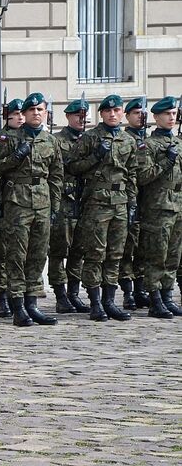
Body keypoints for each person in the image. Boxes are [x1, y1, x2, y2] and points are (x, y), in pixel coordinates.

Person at [0, 93, 63, 327]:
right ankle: (18, 306)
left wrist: (55, 205)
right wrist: (15, 157)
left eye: (40, 110)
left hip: (42, 202)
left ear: (45, 112)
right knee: (16, 255)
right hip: (17, 202)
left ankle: (33, 304)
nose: (36, 113)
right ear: (24, 114)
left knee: (38, 254)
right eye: (31, 110)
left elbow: (57, 176)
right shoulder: (9, 139)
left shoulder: (50, 141)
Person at [67, 94, 139, 321]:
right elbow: (73, 166)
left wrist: (132, 202)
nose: (113, 114)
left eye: (117, 110)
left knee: (115, 254)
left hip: (120, 201)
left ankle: (110, 301)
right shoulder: (90, 138)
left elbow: (132, 173)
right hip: (96, 201)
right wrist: (95, 157)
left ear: (121, 112)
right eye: (108, 111)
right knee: (95, 253)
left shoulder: (128, 140)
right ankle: (95, 301)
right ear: (101, 113)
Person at [134, 96, 182, 318]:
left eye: (174, 114)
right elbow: (142, 177)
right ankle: (154, 300)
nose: (171, 118)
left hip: (178, 206)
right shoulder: (148, 145)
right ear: (156, 117)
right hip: (158, 207)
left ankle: (167, 296)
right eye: (167, 114)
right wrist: (166, 161)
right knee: (157, 256)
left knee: (173, 255)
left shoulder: (179, 143)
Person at [47, 98, 90, 314]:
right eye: (77, 116)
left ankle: (74, 292)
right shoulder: (57, 140)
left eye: (84, 116)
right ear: (68, 117)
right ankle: (60, 294)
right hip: (64, 201)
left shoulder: (90, 140)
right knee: (59, 250)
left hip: (84, 201)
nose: (81, 120)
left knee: (79, 251)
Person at [0, 98, 24, 318]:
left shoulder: (29, 137)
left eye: (22, 114)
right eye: (15, 114)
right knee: (0, 252)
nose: (19, 118)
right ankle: (1, 296)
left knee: (19, 252)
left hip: (22, 203)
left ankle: (18, 294)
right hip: (1, 201)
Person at [118, 98, 148, 309]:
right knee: (128, 247)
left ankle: (141, 288)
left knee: (144, 248)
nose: (140, 116)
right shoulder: (124, 139)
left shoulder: (150, 139)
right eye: (136, 113)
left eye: (142, 113)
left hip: (150, 201)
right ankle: (128, 291)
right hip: (129, 198)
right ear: (127, 116)